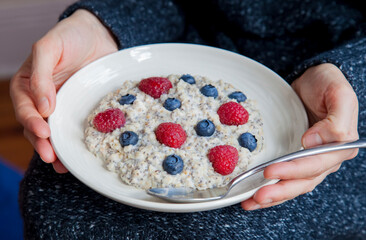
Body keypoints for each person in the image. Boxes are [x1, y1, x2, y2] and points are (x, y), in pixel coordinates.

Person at [11, 0, 365, 238]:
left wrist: (351, 75)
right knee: (54, 197)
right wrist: (104, 23)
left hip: (330, 100)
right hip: (182, 49)